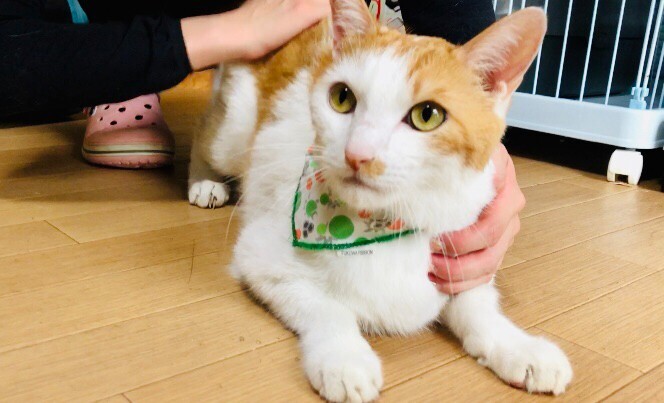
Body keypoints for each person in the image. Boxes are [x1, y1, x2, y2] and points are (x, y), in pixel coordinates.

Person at [0, 0, 524, 293]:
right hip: (175, 31)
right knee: (233, 140)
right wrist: (228, 32)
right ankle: (134, 80)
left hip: (304, 35)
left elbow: (462, 43)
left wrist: (480, 130)